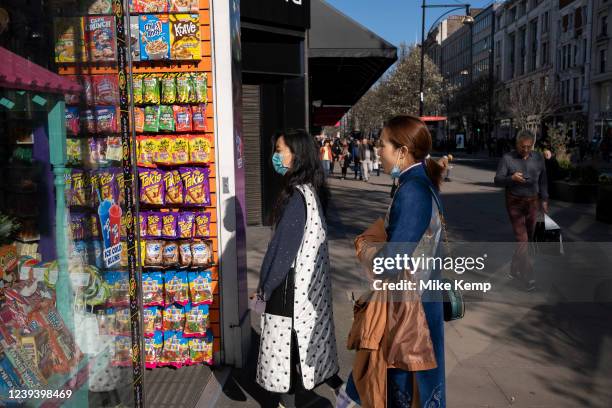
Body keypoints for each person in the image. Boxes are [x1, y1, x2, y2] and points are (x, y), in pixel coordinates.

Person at [340, 115, 447, 407]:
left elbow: (391, 261)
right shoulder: (417, 182)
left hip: (411, 314)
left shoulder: (412, 190)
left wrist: (365, 247)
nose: (378, 150)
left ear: (402, 150)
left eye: (382, 144)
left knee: (403, 388)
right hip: (419, 305)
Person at [252, 130, 339, 407]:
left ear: (297, 155)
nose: (275, 157)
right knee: (295, 346)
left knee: (285, 349)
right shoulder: (312, 191)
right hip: (303, 289)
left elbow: (282, 250)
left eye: (280, 150)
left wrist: (264, 287)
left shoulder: (297, 198)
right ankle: (299, 395)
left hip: (289, 288)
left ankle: (290, 401)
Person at [494, 130, 548, 292]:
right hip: (514, 201)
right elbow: (497, 180)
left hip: (533, 201)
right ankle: (529, 275)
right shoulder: (507, 158)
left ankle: (514, 267)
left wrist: (544, 199)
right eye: (522, 146)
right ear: (516, 144)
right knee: (522, 239)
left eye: (529, 147)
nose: (525, 150)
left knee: (531, 238)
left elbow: (544, 179)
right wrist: (511, 179)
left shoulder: (538, 157)